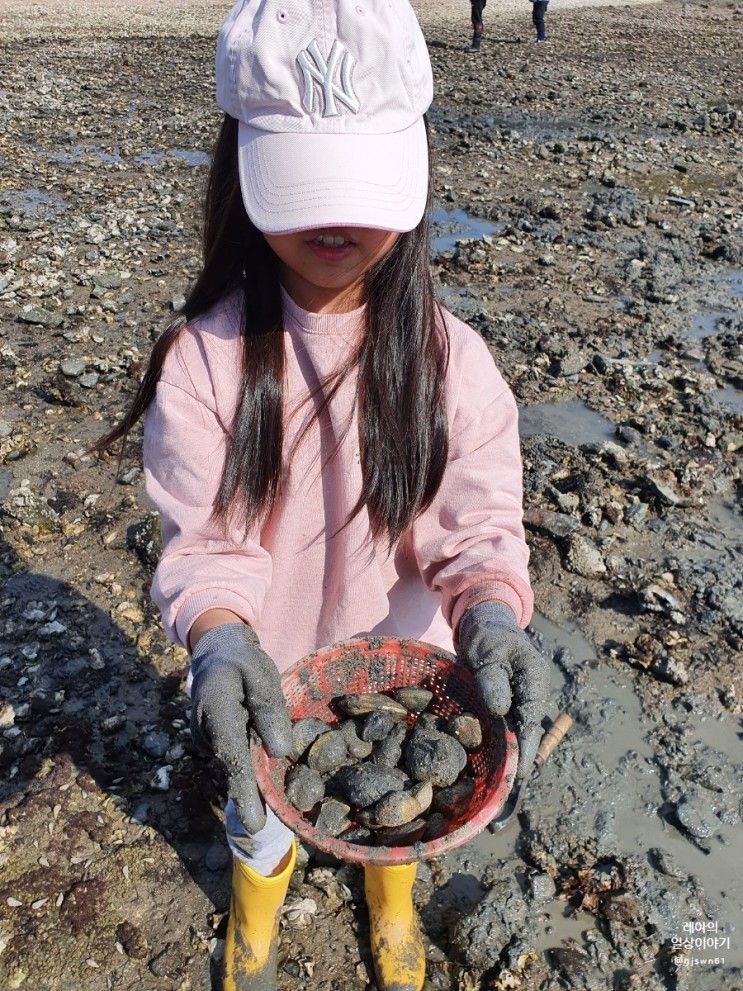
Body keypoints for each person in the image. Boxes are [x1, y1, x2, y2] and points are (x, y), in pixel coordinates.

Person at [95, 0, 548, 988]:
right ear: (239, 167)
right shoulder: (204, 362)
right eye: (304, 186)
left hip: (410, 673)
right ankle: (256, 901)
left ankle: (391, 896)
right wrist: (217, 641)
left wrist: (494, 622)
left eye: (360, 186)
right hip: (270, 679)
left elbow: (477, 535)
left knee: (406, 816)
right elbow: (206, 546)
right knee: (257, 814)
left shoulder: (452, 364)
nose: (334, 220)